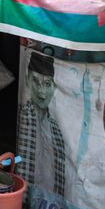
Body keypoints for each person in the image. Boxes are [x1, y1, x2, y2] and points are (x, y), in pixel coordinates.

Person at [16, 51, 67, 197]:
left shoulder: (57, 129)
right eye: (36, 82)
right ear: (27, 80)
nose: (41, 92)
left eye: (47, 84)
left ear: (55, 87)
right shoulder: (23, 115)